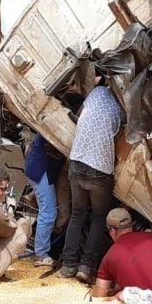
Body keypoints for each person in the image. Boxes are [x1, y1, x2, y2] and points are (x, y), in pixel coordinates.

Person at [59, 82, 125, 284]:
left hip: (77, 163)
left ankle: (68, 265)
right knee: (98, 218)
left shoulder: (96, 93)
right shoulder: (121, 109)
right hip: (100, 171)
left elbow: (80, 115)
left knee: (78, 214)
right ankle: (86, 267)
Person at [24, 134, 63, 266]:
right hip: (40, 168)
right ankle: (41, 254)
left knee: (46, 210)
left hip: (36, 164)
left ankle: (41, 251)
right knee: (48, 213)